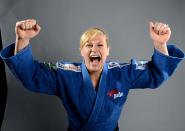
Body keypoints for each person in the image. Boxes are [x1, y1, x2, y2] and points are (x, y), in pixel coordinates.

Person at [0, 19, 184, 131]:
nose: (94, 49)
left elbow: (154, 74)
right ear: (81, 51)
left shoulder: (122, 72)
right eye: (88, 45)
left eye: (99, 45)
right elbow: (31, 75)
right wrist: (22, 39)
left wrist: (160, 44)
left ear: (107, 51)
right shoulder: (65, 74)